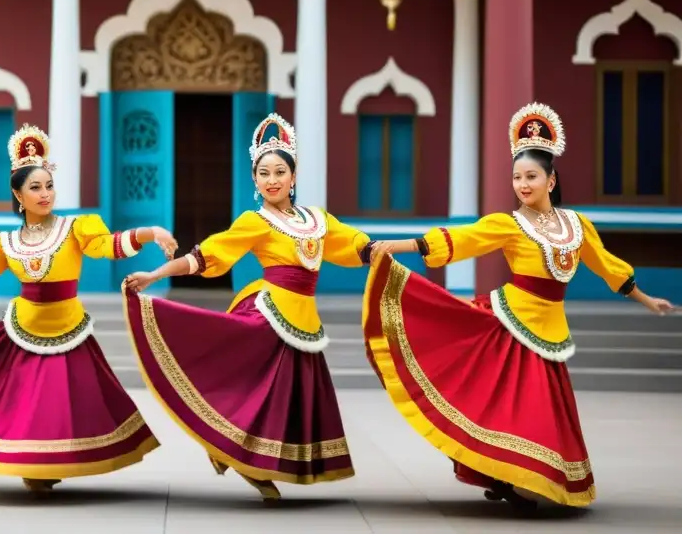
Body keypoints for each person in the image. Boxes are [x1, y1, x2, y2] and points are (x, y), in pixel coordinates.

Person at [363, 103, 676, 509]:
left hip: (550, 332)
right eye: (517, 177)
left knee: (539, 418)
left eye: (531, 176)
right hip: (509, 326)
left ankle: (518, 478)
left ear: (551, 179)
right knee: (506, 409)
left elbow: (609, 267)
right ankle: (506, 475)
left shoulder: (578, 227)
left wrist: (646, 299)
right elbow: (461, 239)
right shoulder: (510, 224)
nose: (523, 185)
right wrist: (397, 245)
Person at [0, 123, 177, 491]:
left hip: (68, 328)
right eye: (35, 188)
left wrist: (151, 232)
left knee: (66, 405)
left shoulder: (76, 228)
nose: (45, 194)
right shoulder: (5, 242)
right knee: (28, 405)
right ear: (18, 195)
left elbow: (108, 245)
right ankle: (34, 466)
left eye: (49, 185)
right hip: (23, 328)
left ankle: (53, 464)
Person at [122, 113, 374, 501]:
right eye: (263, 173)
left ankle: (246, 457)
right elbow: (207, 255)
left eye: (279, 171)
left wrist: (386, 251)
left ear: (293, 176)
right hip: (269, 318)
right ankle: (236, 452)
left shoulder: (317, 221)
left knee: (287, 401)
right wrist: (156, 275)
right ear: (254, 181)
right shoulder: (255, 221)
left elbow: (355, 244)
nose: (272, 179)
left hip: (303, 320)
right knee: (256, 392)